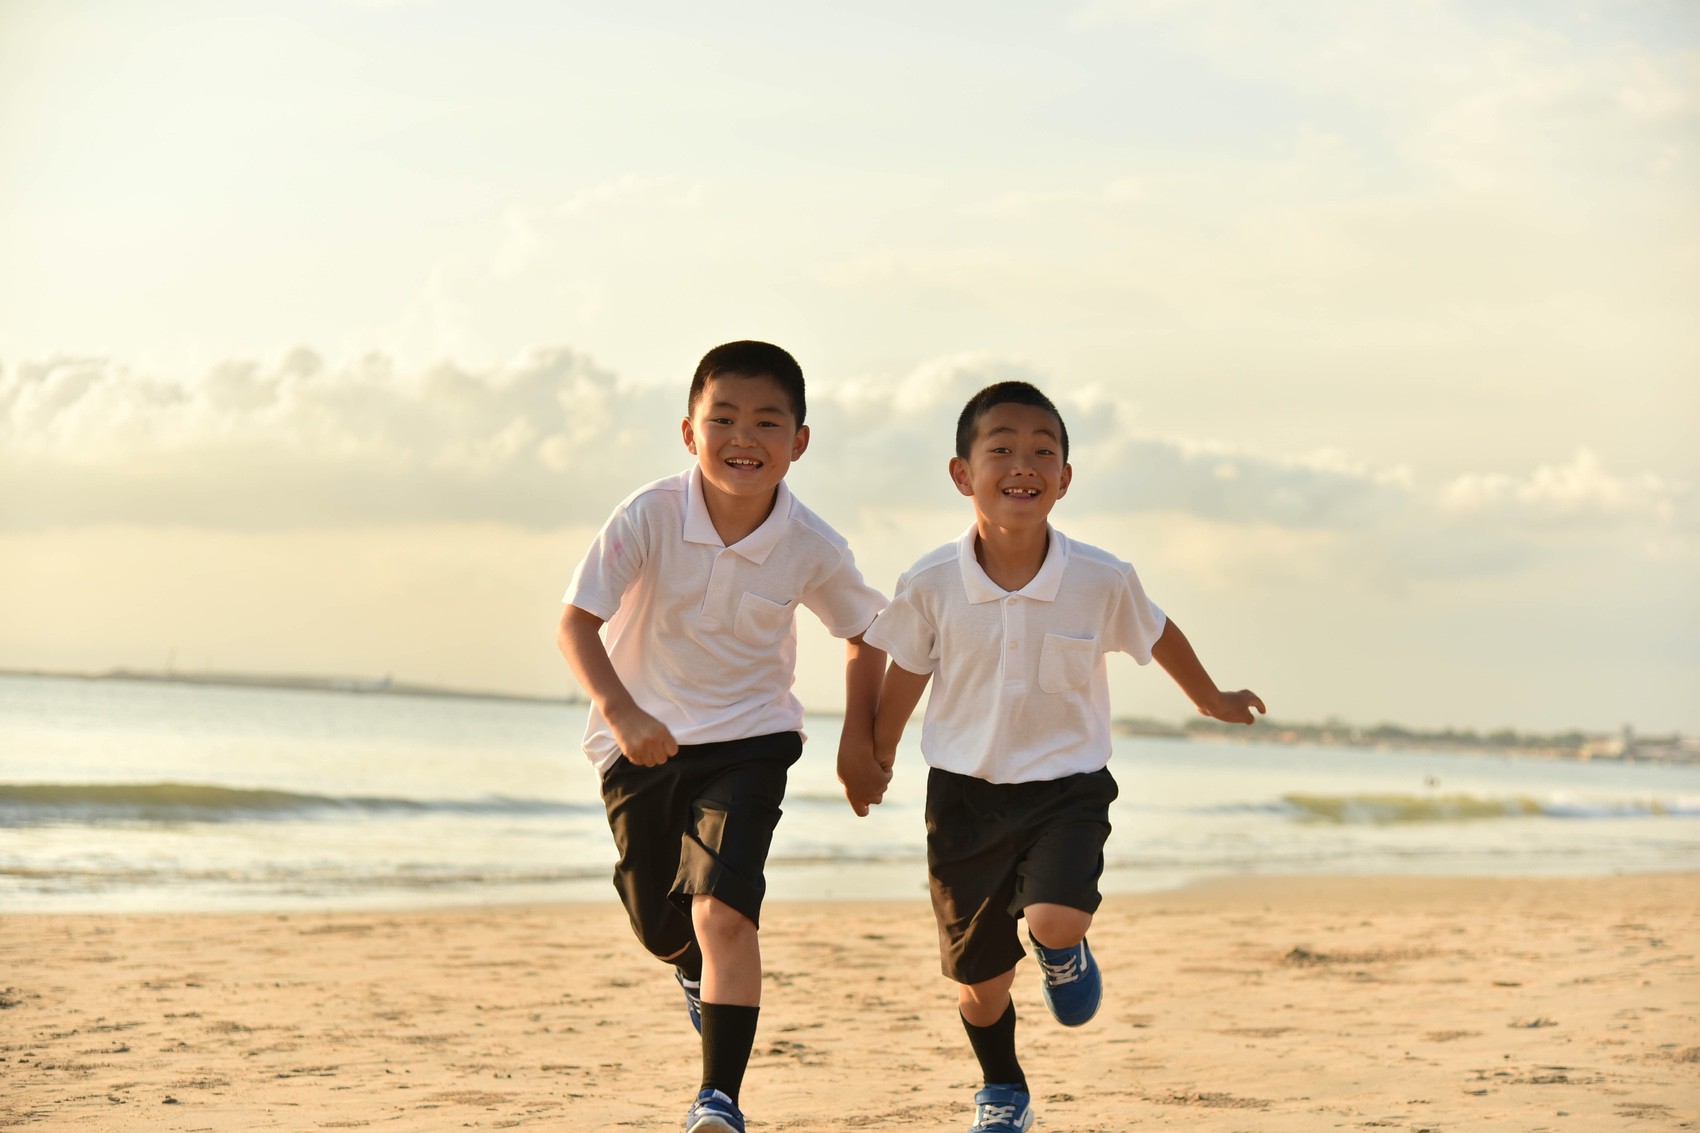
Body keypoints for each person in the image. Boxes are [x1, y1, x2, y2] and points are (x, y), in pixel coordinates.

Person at [847, 380, 1264, 1133]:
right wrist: (876, 754)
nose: (1023, 462)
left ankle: (1063, 954)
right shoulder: (933, 580)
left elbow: (1157, 632)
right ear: (961, 473)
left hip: (1067, 787)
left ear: (1064, 479)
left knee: (1055, 917)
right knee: (982, 985)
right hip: (963, 798)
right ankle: (1003, 1086)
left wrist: (1209, 698)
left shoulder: (1100, 578)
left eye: (1043, 450)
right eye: (1000, 447)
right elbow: (906, 668)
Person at [558, 340, 887, 1133]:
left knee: (723, 913)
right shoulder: (649, 514)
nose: (745, 437)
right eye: (725, 418)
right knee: (660, 923)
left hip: (750, 740)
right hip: (643, 742)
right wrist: (622, 710)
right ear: (689, 430)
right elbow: (577, 621)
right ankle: (692, 972)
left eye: (768, 421)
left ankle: (719, 1100)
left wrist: (858, 741)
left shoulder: (812, 543)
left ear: (799, 441)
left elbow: (866, 633)